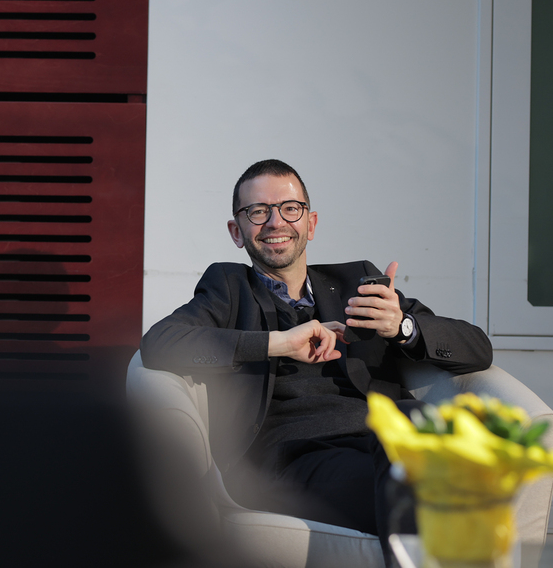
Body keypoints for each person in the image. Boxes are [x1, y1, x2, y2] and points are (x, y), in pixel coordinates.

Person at [140, 159, 492, 561]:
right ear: (237, 232)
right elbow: (159, 343)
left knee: (416, 427)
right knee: (426, 492)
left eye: (290, 208)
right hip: (295, 460)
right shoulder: (228, 287)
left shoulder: (357, 281)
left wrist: (402, 326)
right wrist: (277, 343)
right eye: (258, 211)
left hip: (387, 442)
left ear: (311, 223)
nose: (276, 222)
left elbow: (477, 348)